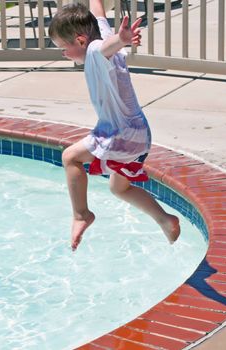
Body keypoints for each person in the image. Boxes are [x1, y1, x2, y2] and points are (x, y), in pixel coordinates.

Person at [49, 0, 180, 251]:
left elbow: (104, 48)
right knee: (119, 188)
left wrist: (122, 40)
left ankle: (81, 215)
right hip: (140, 134)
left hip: (119, 134)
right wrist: (118, 38)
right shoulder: (99, 33)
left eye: (62, 48)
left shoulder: (96, 48)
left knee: (70, 158)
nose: (62, 54)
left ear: (79, 40)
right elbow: (98, 13)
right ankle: (165, 219)